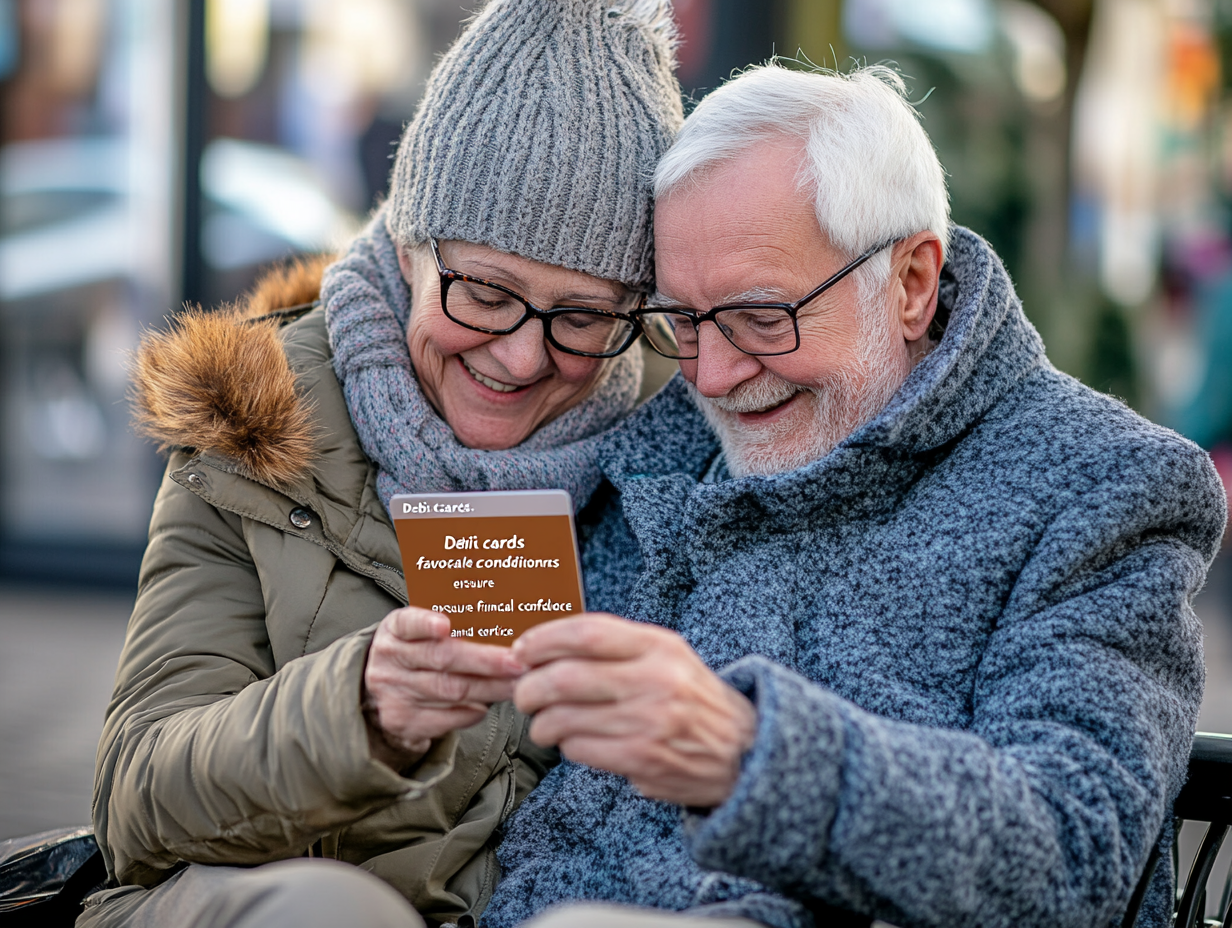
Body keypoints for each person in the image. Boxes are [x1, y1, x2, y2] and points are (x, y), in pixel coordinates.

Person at [469, 64, 1227, 928]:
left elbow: (1074, 842)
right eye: (684, 322)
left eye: (762, 318)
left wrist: (753, 754)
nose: (713, 376)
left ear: (909, 283)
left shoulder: (1096, 483)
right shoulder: (653, 451)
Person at [80, 3, 681, 927]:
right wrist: (355, 712)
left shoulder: (676, 455)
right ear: (408, 247)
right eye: (485, 292)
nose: (520, 359)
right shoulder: (255, 427)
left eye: (583, 317)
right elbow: (133, 802)